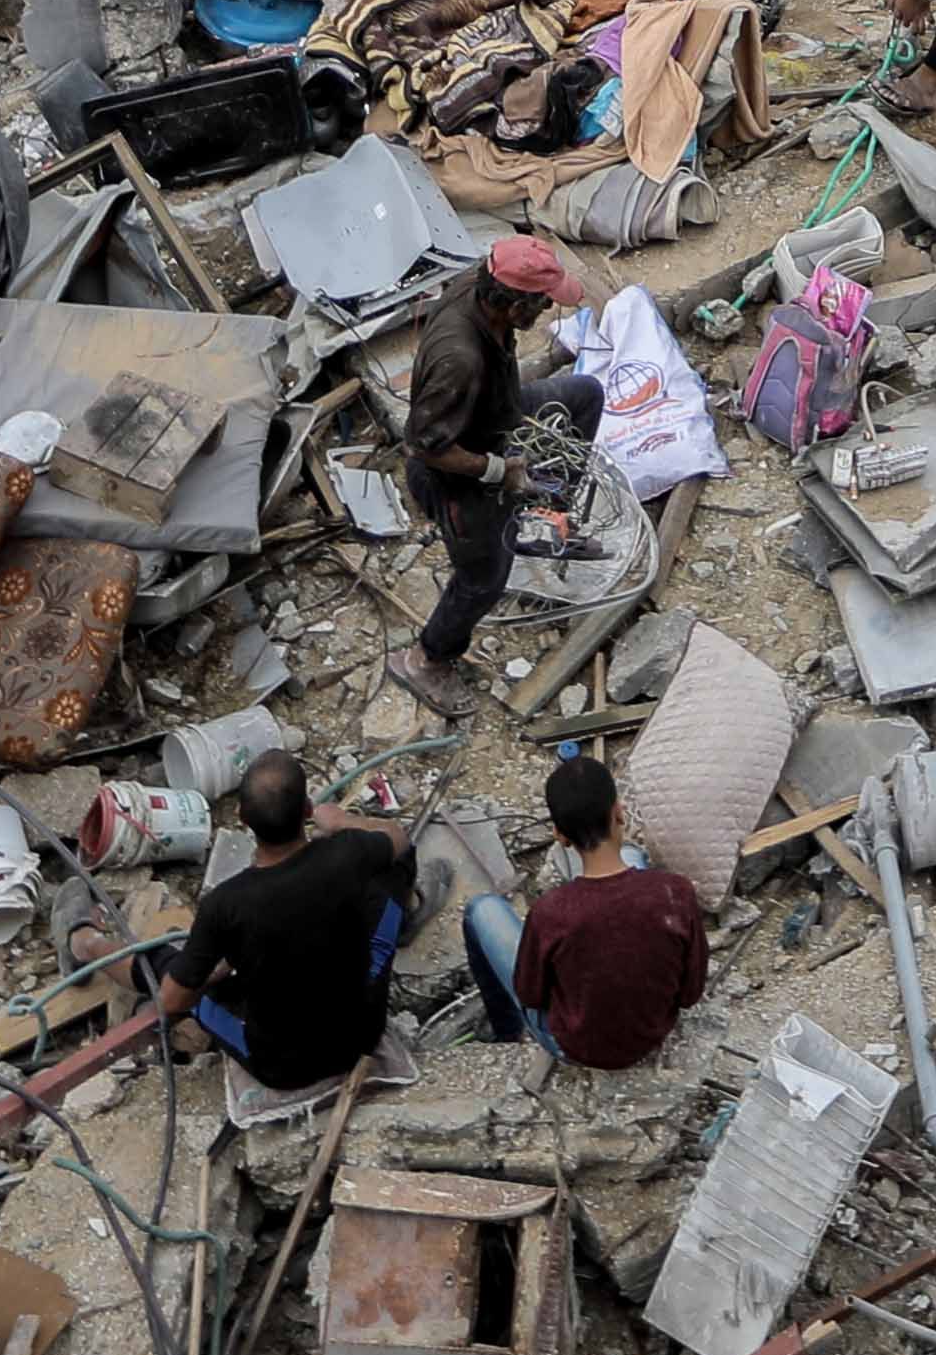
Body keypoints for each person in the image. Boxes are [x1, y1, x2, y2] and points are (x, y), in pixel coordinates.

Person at [160, 753, 416, 1103]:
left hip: (284, 1068)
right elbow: (398, 838)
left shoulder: (225, 904)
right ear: (308, 810)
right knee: (396, 868)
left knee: (171, 970)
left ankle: (86, 942)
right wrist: (342, 821)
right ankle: (404, 920)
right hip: (361, 1034)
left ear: (242, 818)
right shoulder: (346, 853)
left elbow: (172, 1000)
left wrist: (219, 969)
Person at [403, 236, 596, 688]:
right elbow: (424, 446)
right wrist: (498, 471)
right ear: (512, 307)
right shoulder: (460, 360)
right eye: (543, 304)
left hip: (496, 410)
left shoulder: (482, 278)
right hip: (454, 471)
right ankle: (427, 659)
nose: (548, 311)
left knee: (585, 395)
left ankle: (550, 508)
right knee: (484, 578)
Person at [461, 750, 711, 1070]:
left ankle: (506, 1031)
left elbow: (531, 995)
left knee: (481, 908)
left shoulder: (550, 912)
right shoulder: (675, 892)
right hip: (651, 1035)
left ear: (560, 836)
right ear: (619, 813)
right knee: (632, 859)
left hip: (575, 1047)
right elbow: (690, 994)